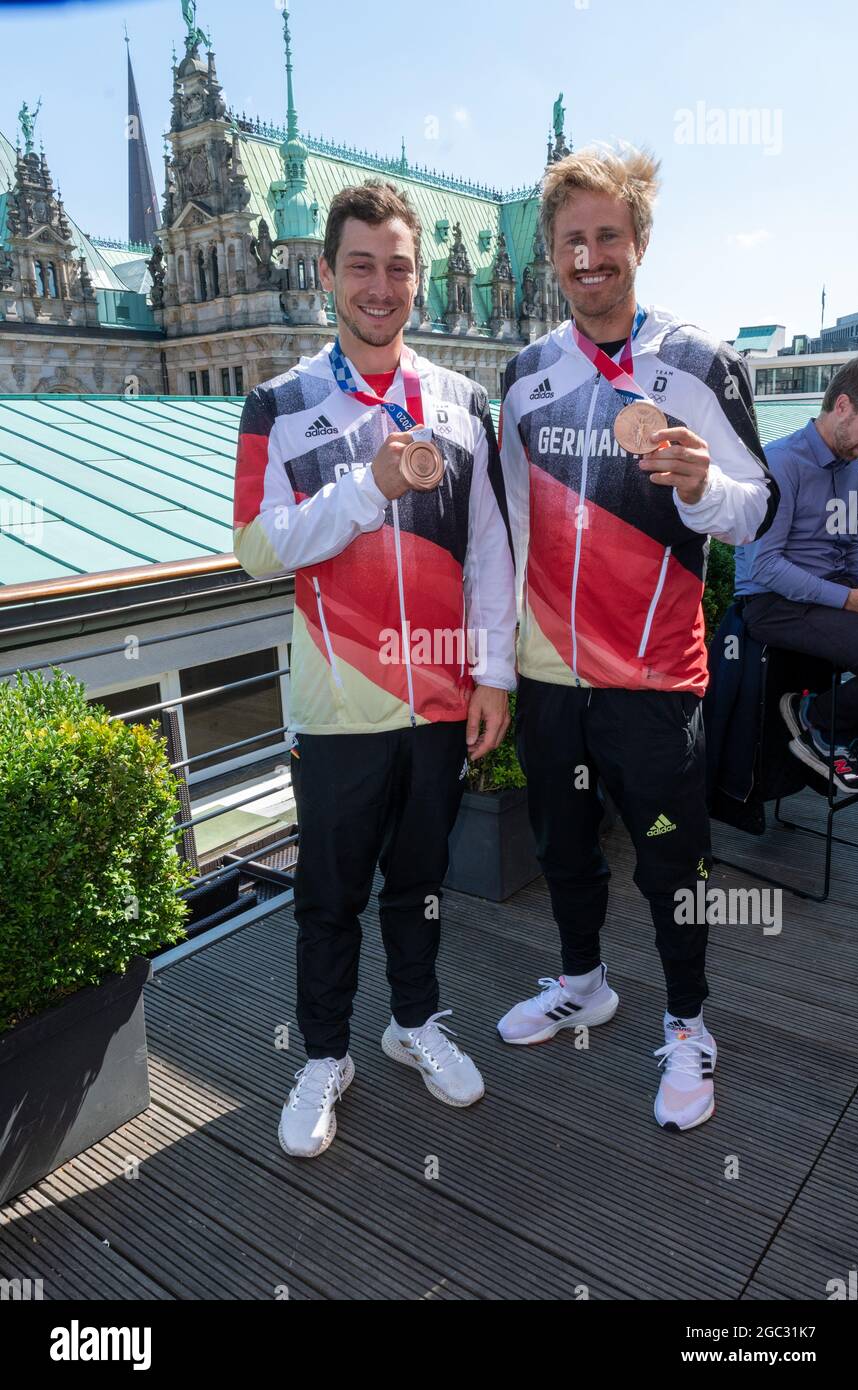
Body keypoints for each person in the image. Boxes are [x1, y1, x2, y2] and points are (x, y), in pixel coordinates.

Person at [496, 144, 778, 1131]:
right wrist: (496, 664)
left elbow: (757, 511)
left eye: (605, 236)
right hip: (547, 673)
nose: (588, 256)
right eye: (570, 240)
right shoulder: (526, 374)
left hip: (654, 679)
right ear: (551, 256)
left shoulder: (699, 362)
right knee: (560, 845)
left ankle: (688, 1023)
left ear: (639, 242)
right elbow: (508, 533)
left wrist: (702, 486)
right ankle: (583, 980)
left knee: (670, 862)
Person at [233, 180, 516, 1158]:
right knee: (328, 894)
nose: (381, 284)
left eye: (398, 266)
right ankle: (322, 1057)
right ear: (326, 274)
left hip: (439, 698)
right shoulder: (276, 403)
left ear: (416, 279)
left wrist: (494, 676)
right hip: (337, 703)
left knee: (421, 876)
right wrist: (368, 486)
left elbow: (488, 551)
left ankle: (413, 1023)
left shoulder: (461, 400)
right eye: (361, 264)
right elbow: (256, 550)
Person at [736, 354, 858, 792]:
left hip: (827, 598)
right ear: (843, 406)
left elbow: (851, 549)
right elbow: (764, 566)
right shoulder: (779, 462)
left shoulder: (853, 472)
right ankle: (820, 721)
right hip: (773, 604)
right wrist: (849, 600)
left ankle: (835, 730)